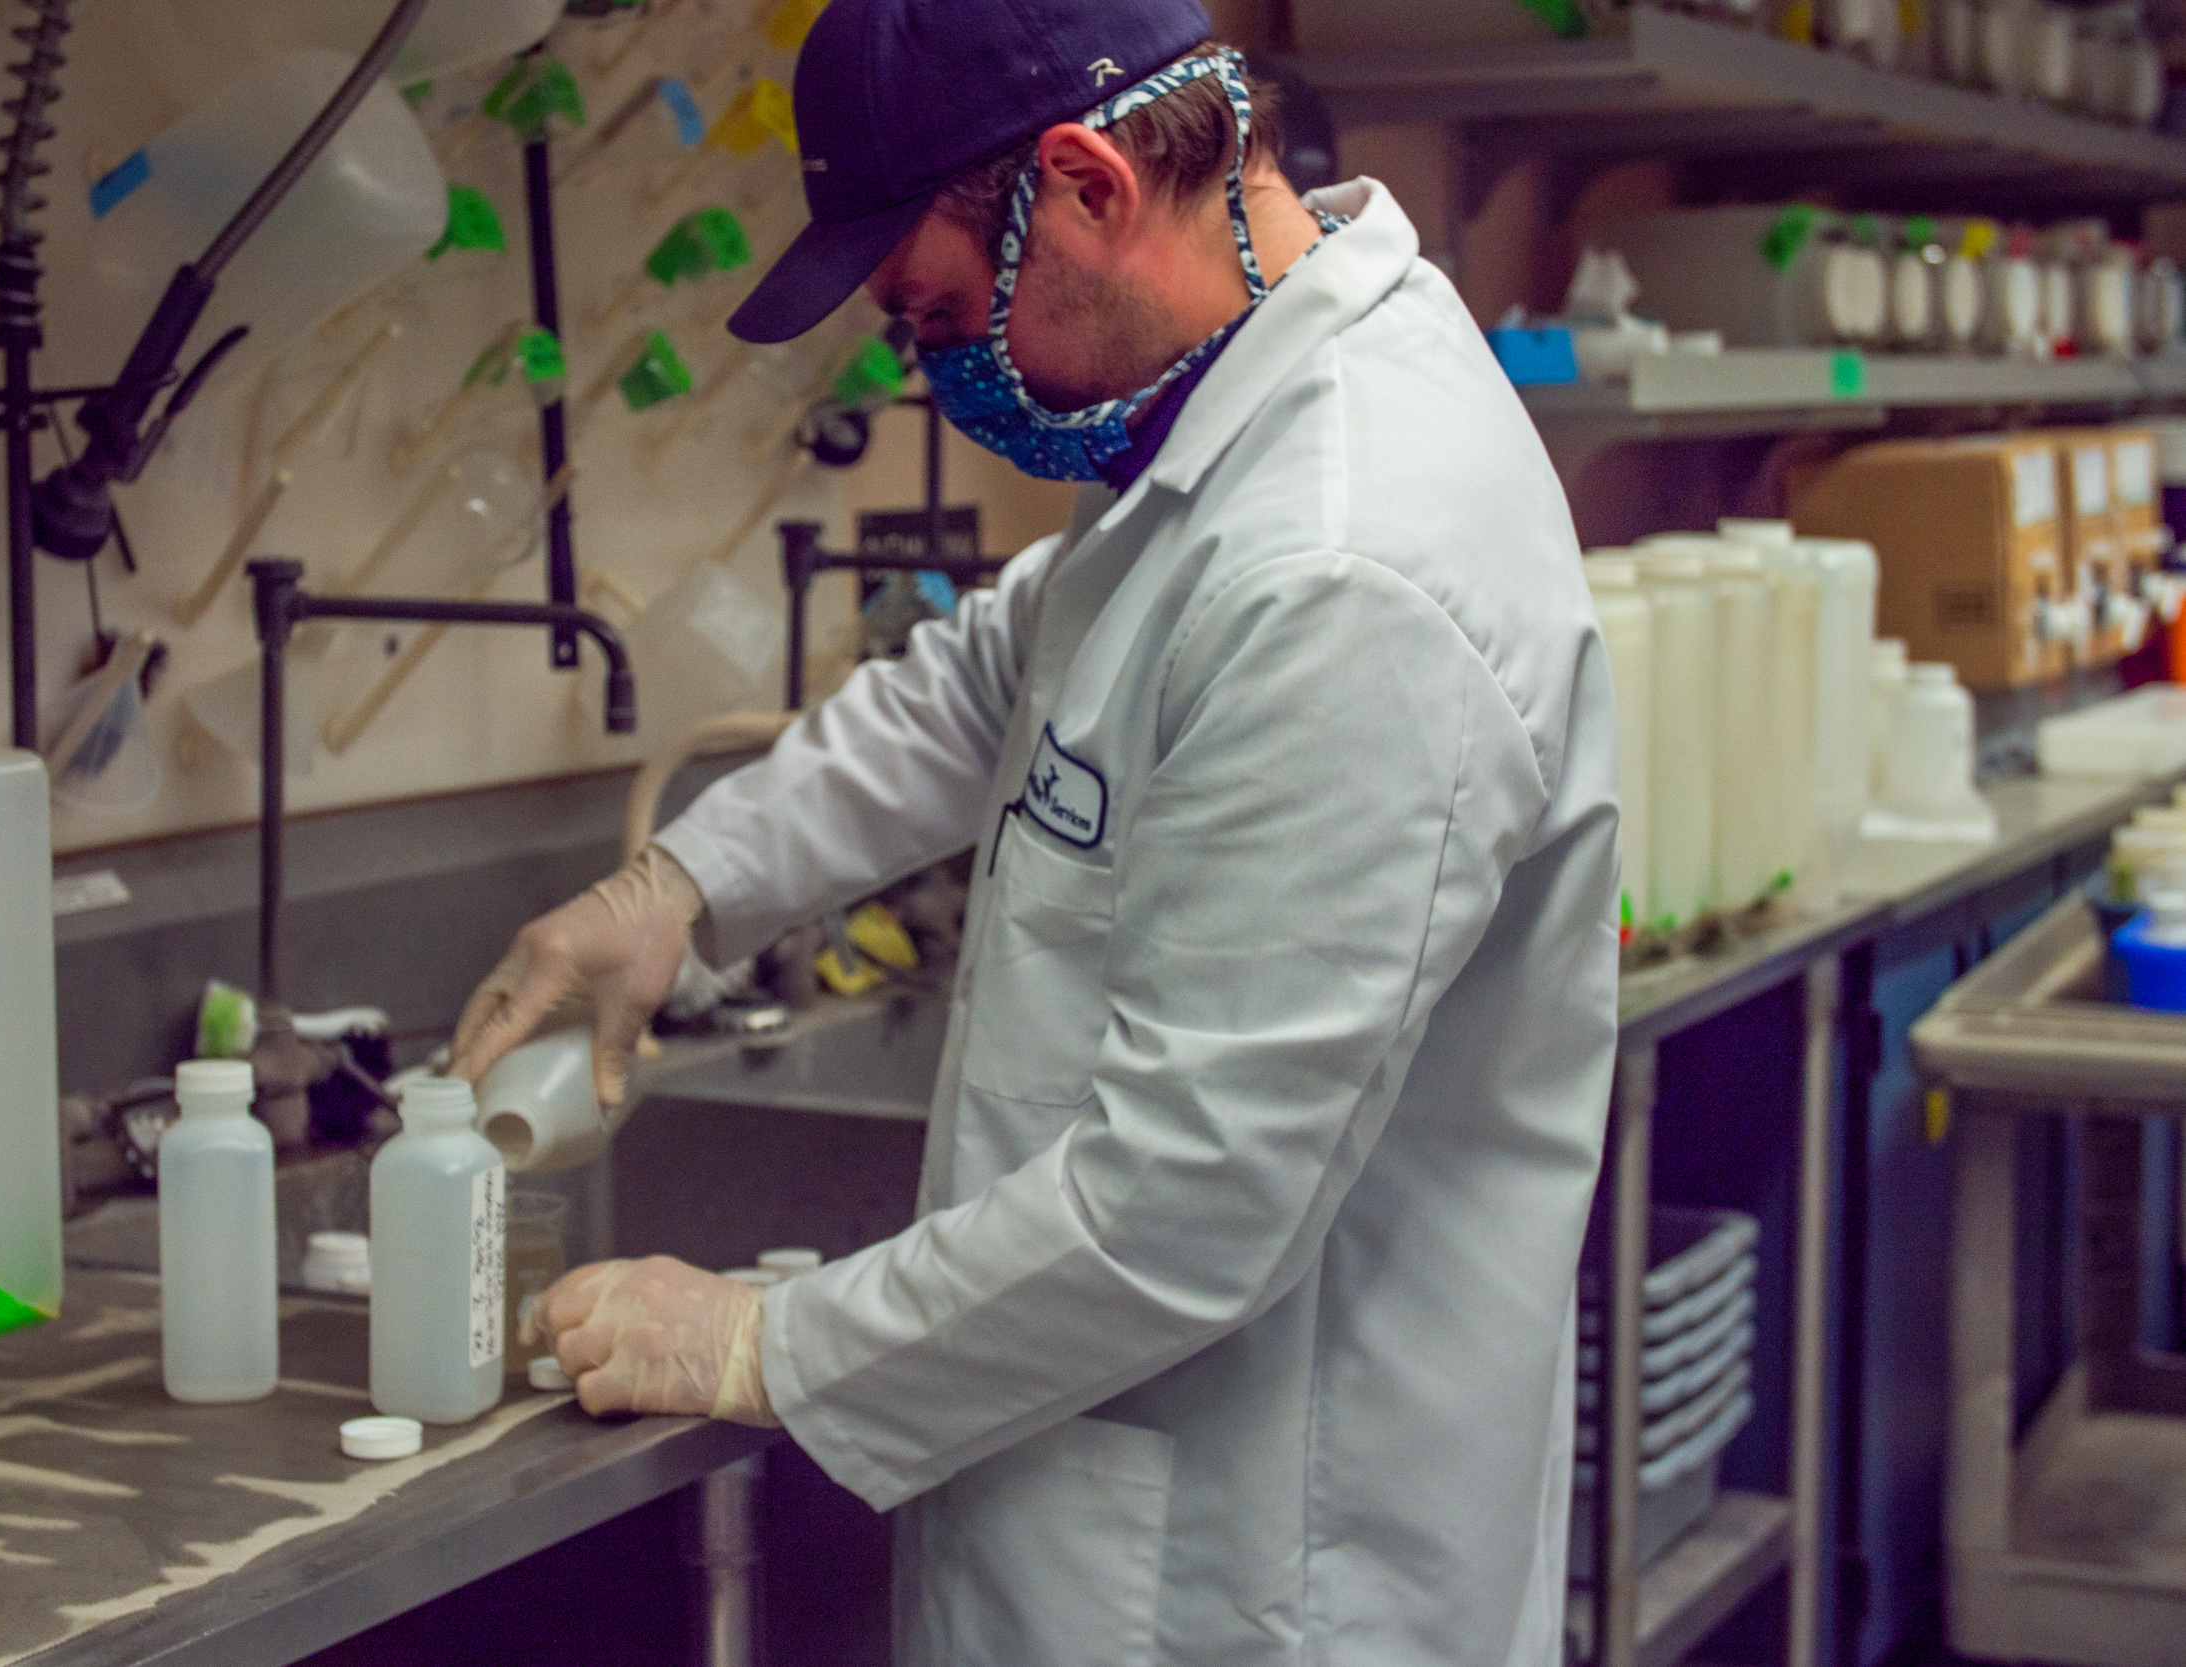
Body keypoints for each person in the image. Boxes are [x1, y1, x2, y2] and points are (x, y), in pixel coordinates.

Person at [450, 0, 1620, 1658]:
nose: (930, 373)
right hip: (1119, 1511)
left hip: (1259, 1577)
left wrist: (761, 1346)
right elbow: (996, 672)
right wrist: (684, 883)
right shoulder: (1231, 415)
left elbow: (1188, 1201)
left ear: (1085, 185)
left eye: (938, 317)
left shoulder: (1344, 571)